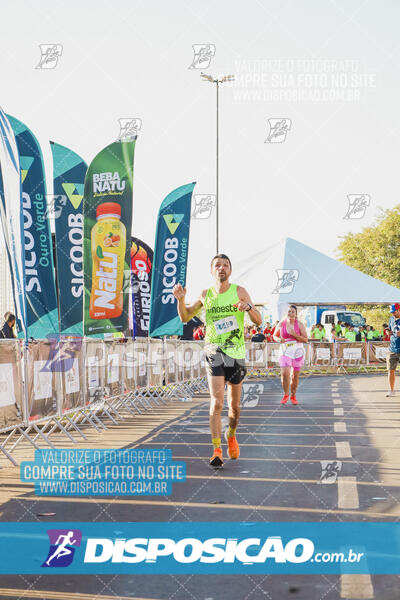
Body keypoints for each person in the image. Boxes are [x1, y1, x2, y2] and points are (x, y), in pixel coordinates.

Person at [173, 253, 262, 467]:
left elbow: (258, 321)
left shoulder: (239, 291)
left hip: (235, 353)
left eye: (225, 265)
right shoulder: (206, 294)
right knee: (217, 402)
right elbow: (185, 317)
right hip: (214, 352)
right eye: (217, 265)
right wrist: (181, 299)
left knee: (235, 406)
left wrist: (248, 308)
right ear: (211, 270)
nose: (221, 268)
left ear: (230, 270)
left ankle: (231, 435)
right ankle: (216, 449)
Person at [273, 305, 308, 405]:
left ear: (296, 314)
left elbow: (306, 339)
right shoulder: (282, 323)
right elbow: (274, 336)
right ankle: (286, 394)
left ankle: (293, 395)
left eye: (293, 312)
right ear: (286, 313)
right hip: (285, 351)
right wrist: (279, 339)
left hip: (298, 351)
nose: (291, 313)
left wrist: (294, 335)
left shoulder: (300, 324)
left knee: (295, 376)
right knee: (285, 374)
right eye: (289, 311)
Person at [386, 303, 400, 397]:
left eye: (394, 312)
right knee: (391, 370)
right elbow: (389, 328)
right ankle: (391, 390)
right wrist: (388, 331)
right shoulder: (391, 319)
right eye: (391, 312)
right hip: (393, 348)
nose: (393, 314)